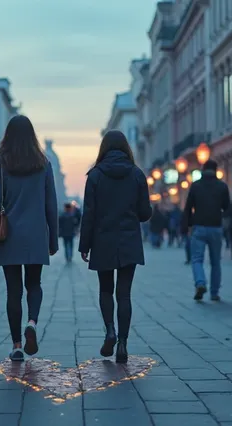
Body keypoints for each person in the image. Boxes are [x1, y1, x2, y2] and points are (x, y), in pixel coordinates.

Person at [0, 115, 58, 362]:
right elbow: (51, 204)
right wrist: (53, 239)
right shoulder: (43, 163)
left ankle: (16, 344)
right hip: (36, 234)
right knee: (34, 285)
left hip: (9, 235)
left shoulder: (0, 163)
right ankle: (33, 322)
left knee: (12, 291)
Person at [79, 130, 152, 363]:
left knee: (105, 290)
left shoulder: (95, 176)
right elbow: (144, 213)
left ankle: (109, 329)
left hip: (103, 240)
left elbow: (88, 214)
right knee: (124, 294)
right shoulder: (137, 175)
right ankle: (123, 342)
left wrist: (85, 245)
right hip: (129, 240)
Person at [181, 160, 230, 301]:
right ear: (216, 170)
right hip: (215, 227)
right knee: (216, 262)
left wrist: (187, 225)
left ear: (203, 170)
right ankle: (214, 293)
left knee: (196, 259)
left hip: (199, 226)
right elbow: (227, 207)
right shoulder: (222, 186)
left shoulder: (196, 186)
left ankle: (200, 282)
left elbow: (188, 207)